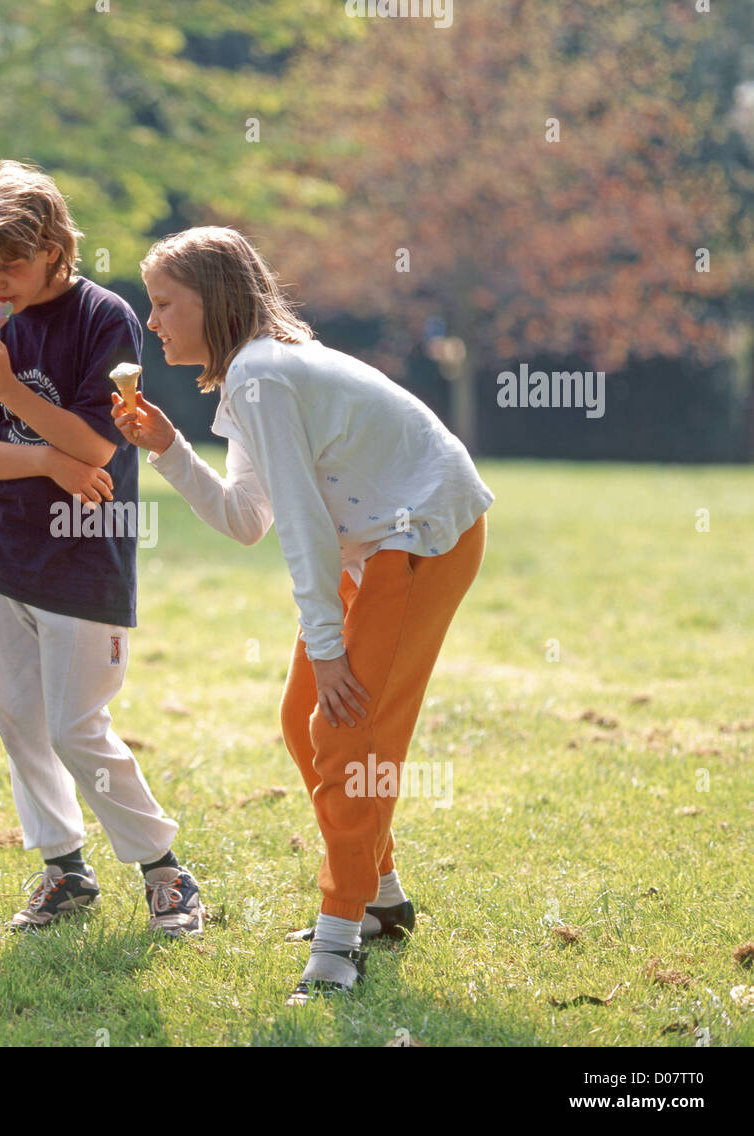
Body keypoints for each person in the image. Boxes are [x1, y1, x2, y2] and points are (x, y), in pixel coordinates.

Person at [112, 227, 493, 1000]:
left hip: (420, 537)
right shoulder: (250, 378)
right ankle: (383, 900)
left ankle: (337, 943)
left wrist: (328, 645)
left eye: (163, 304)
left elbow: (306, 528)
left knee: (347, 730)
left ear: (213, 302)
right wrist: (167, 448)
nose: (152, 322)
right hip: (378, 546)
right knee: (304, 720)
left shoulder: (262, 374)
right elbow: (248, 518)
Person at [0, 160, 203, 936]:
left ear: (57, 245)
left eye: (10, 265)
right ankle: (64, 869)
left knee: (75, 724)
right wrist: (46, 460)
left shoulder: (107, 318)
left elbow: (95, 447)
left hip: (86, 548)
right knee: (17, 717)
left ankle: (165, 871)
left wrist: (15, 397)